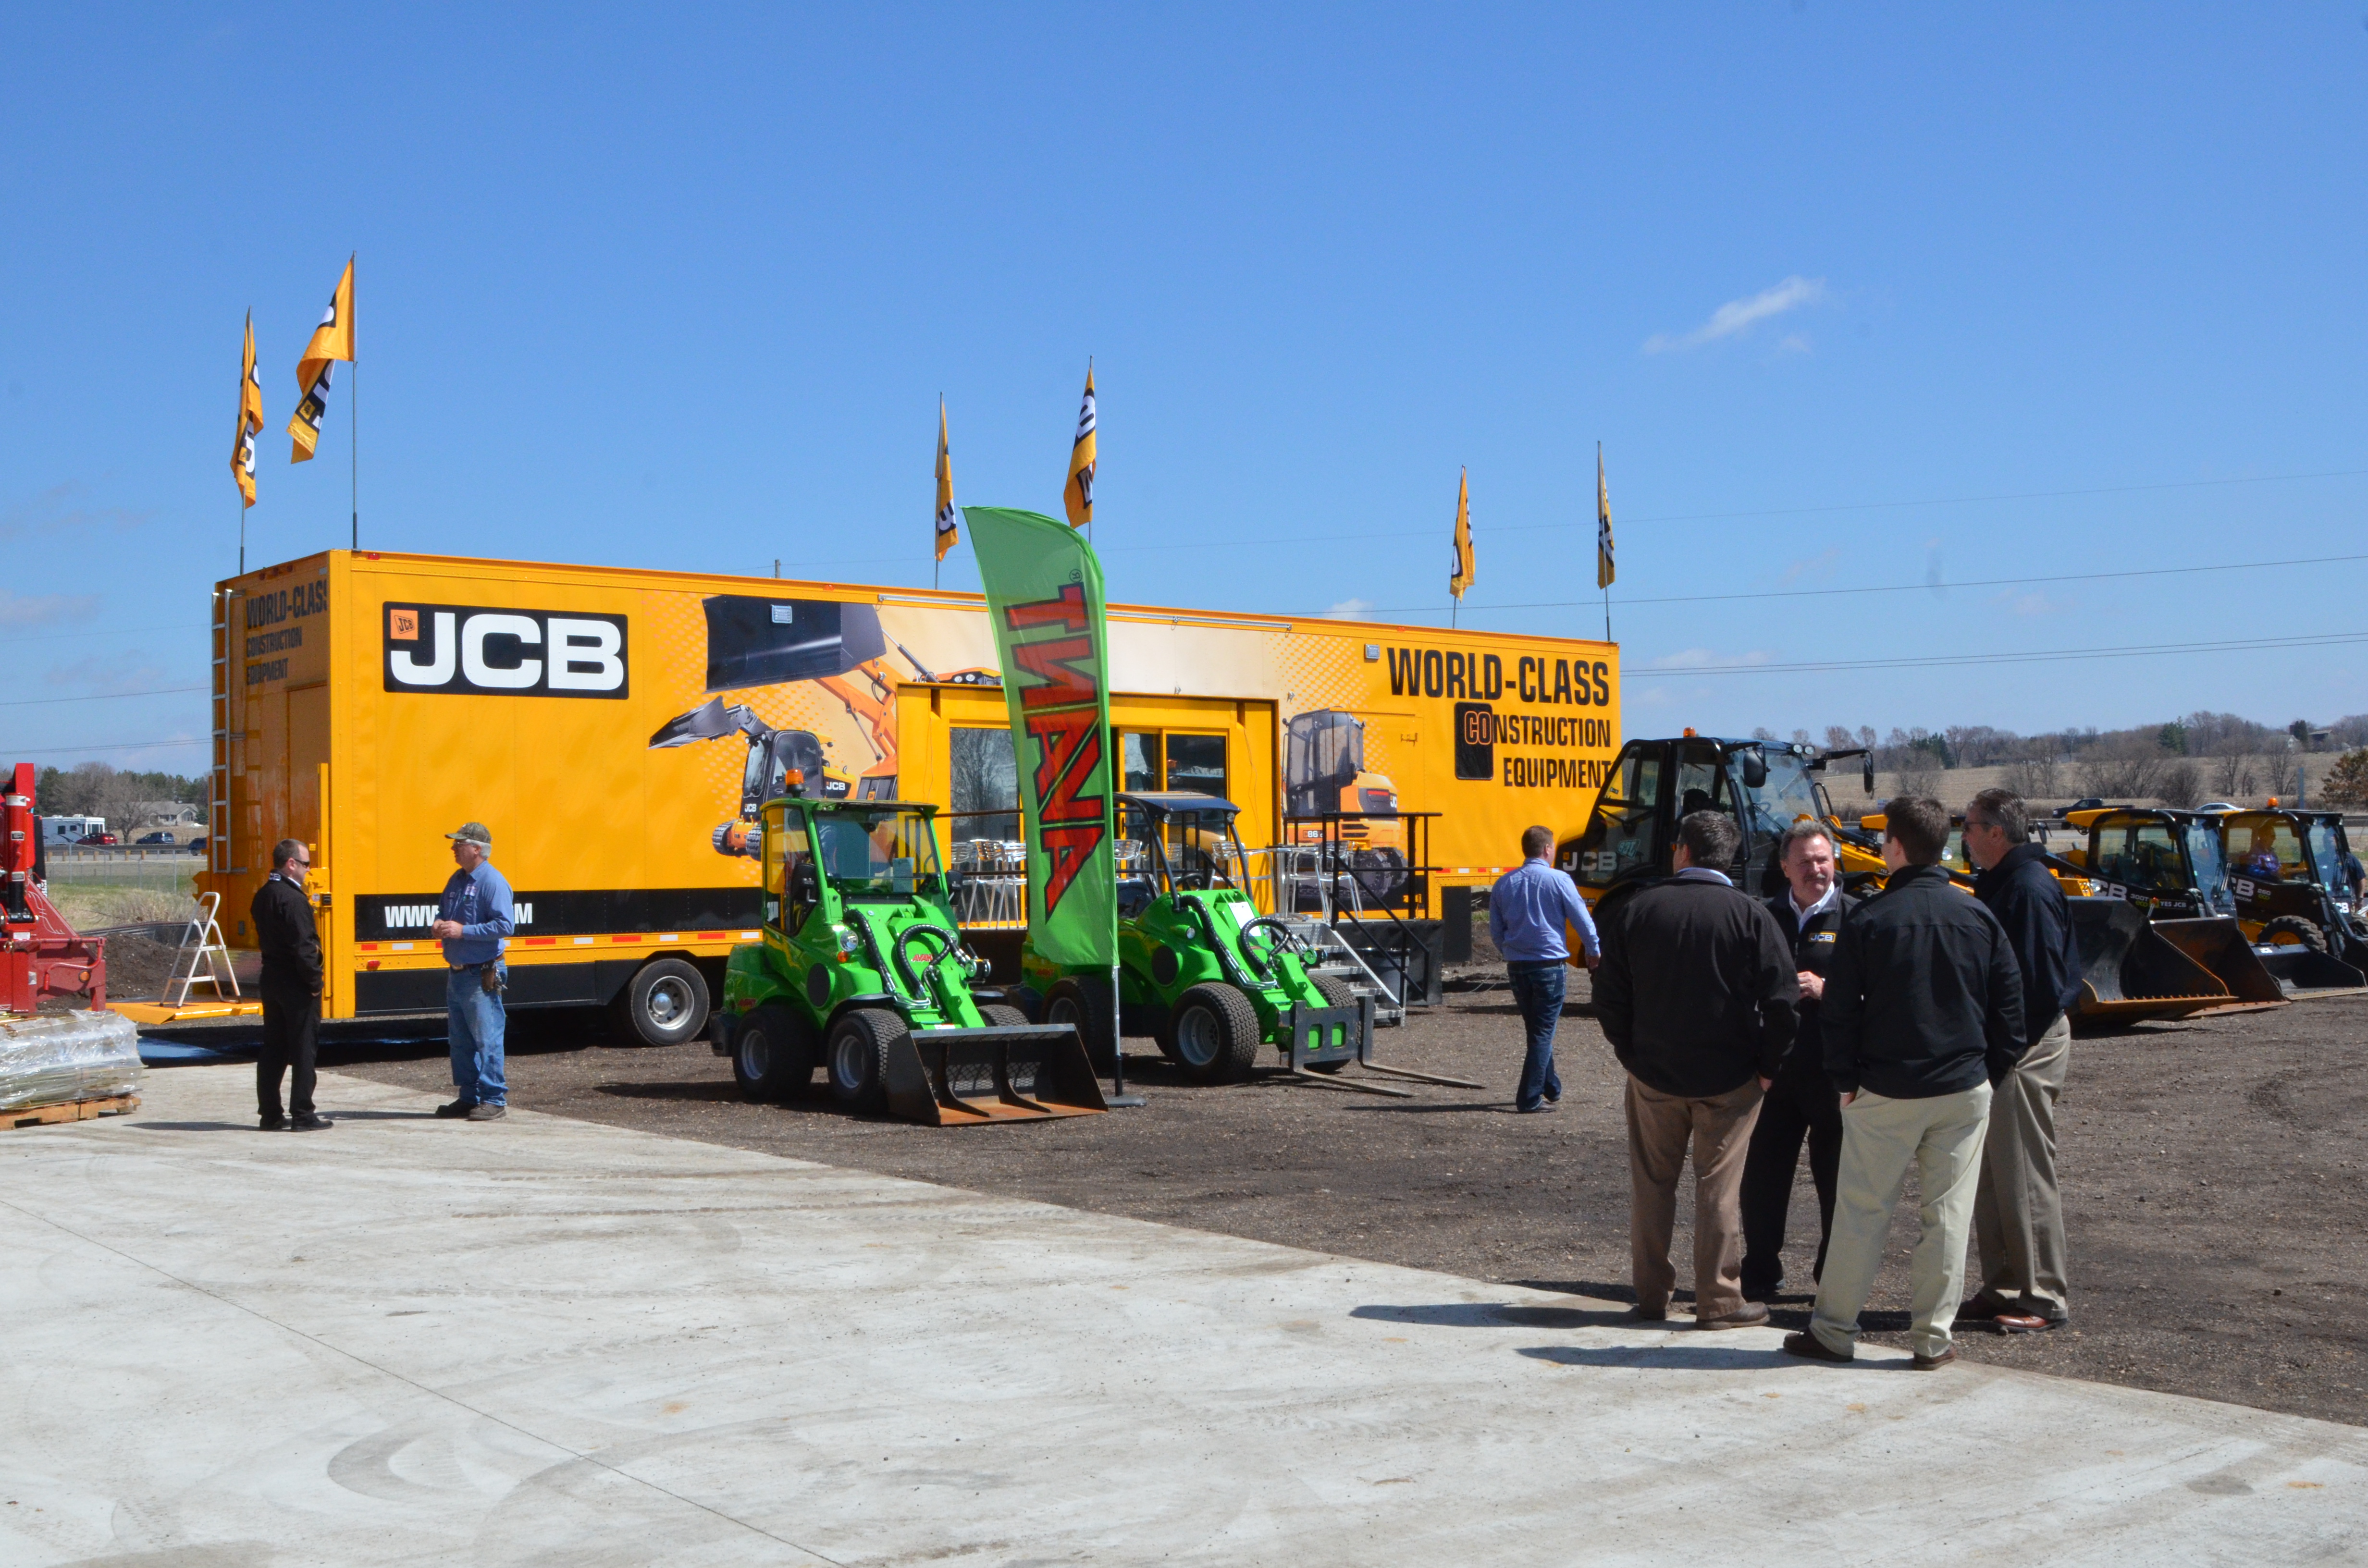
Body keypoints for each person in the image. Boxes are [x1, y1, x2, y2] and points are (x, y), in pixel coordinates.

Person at [1785, 797, 2025, 1371]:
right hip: (1961, 1088)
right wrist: (1985, 1075)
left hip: (1885, 1090)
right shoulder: (1977, 915)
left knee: (1861, 1214)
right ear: (1942, 846)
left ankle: (1834, 1330)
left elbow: (1839, 1011)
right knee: (1947, 1216)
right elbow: (2010, 1012)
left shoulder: (1869, 920)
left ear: (1892, 845)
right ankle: (1931, 1341)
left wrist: (1845, 1080)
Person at [1594, 810, 1797, 1328]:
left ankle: (1650, 1294)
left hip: (1653, 1075)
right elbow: (1782, 1000)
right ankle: (1719, 1299)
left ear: (1681, 850)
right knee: (1718, 1190)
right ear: (1727, 856)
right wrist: (1768, 1067)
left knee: (1651, 1186)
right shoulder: (1750, 916)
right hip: (1730, 1079)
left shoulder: (1639, 909)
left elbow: (1608, 994)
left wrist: (1630, 1053)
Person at [1958, 787, 2083, 1335]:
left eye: (1968, 826)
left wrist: (2004, 1055)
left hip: (2024, 1047)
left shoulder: (2027, 889)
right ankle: (2003, 1284)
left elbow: (2035, 987)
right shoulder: (2001, 882)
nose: (1961, 836)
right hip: (2003, 1048)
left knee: (2024, 1174)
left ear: (1995, 832)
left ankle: (2042, 1297)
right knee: (1991, 1174)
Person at [1739, 822, 1856, 1302]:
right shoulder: (1762, 918)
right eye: (1805, 862)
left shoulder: (1857, 919)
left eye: (1823, 860)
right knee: (1762, 1179)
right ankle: (1760, 1269)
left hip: (1833, 1077)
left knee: (1836, 1182)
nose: (1816, 870)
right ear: (1784, 867)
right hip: (1775, 1075)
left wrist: (1826, 991)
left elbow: (1879, 998)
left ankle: (1831, 1277)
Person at [1486, 824, 1601, 1114]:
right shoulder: (1559, 880)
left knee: (1536, 1029)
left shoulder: (1504, 883)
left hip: (1518, 966)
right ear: (1548, 849)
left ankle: (1551, 1086)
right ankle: (1529, 1098)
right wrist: (1594, 950)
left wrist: (1509, 950)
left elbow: (1496, 931)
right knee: (1542, 1031)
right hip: (1549, 965)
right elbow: (1581, 919)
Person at [428, 821, 515, 1121]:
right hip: (458, 972)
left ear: (477, 849)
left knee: (487, 1037)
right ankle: (469, 1097)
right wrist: (439, 925)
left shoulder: (493, 881)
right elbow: (444, 913)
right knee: (462, 1039)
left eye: (459, 844)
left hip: (482, 973)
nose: (453, 849)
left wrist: (464, 931)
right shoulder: (457, 879)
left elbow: (506, 926)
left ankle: (494, 1099)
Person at [250, 837, 330, 1132]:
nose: (309, 870)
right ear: (291, 864)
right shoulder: (294, 899)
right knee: (303, 1049)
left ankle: (270, 1114)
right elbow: (304, 947)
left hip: (271, 979)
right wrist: (314, 982)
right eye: (306, 864)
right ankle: (303, 1114)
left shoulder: (264, 895)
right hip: (295, 982)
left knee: (274, 1048)